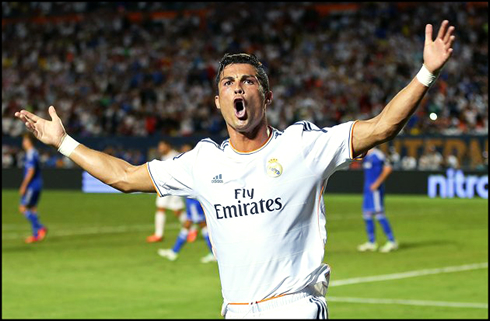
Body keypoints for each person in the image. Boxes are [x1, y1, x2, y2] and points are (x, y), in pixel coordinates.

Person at [15, 20, 455, 319]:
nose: (238, 88)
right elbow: (124, 177)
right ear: (218, 102)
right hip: (235, 309)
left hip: (293, 308)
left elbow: (382, 127)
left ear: (266, 97)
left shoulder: (304, 145)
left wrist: (426, 73)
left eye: (248, 81)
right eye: (228, 83)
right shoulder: (204, 162)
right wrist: (65, 142)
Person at [357, 148, 398, 253]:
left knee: (379, 214)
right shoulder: (366, 156)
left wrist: (377, 184)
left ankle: (392, 241)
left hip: (375, 191)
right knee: (367, 214)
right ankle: (371, 242)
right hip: (368, 190)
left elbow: (388, 168)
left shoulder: (378, 155)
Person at [146, 140, 186, 243]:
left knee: (166, 209)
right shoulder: (166, 156)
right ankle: (190, 229)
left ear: (168, 146)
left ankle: (159, 235)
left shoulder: (174, 156)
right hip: (169, 186)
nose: (160, 148)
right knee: (173, 210)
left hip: (172, 186)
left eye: (162, 146)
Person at [157, 197, 217, 263]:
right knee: (188, 224)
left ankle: (214, 253)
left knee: (202, 224)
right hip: (190, 200)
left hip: (193, 200)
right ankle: (174, 251)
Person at [19, 132, 48, 243]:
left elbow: (31, 171)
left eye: (24, 140)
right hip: (37, 184)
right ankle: (36, 235)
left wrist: (24, 185)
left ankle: (40, 228)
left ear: (28, 142)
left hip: (32, 185)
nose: (23, 143)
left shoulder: (31, 154)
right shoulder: (34, 153)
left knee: (23, 208)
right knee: (32, 208)